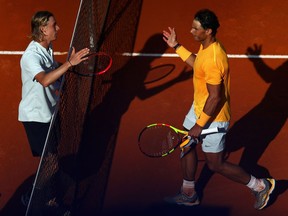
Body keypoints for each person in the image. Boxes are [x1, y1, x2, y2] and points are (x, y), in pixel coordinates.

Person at [162, 9, 275, 210]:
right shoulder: (206, 48)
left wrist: (199, 125)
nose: (191, 31)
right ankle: (189, 194)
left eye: (196, 29)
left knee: (216, 164)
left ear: (208, 31)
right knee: (186, 145)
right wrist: (177, 47)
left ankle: (260, 186)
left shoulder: (214, 58)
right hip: (199, 108)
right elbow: (198, 65)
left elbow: (215, 97)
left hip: (213, 118)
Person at [18, 10, 89, 206]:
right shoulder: (31, 56)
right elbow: (46, 80)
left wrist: (67, 65)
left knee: (51, 158)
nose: (58, 28)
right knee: (52, 162)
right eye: (53, 25)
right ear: (43, 29)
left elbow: (51, 66)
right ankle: (32, 197)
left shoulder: (46, 48)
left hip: (49, 112)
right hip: (36, 116)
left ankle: (48, 195)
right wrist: (69, 63)